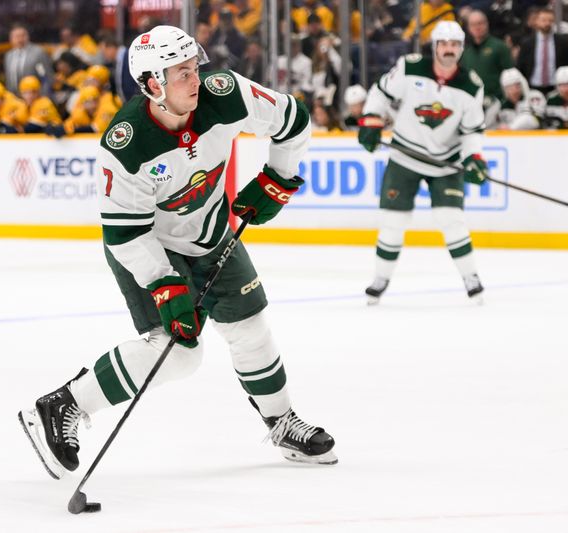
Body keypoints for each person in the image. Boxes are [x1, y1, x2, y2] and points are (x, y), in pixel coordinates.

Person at [18, 25, 337, 479]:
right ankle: (64, 404)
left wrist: (278, 177)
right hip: (150, 247)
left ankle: (282, 423)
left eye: (194, 67)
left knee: (250, 327)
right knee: (180, 353)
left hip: (210, 233)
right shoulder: (126, 144)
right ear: (153, 85)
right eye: (182, 73)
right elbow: (125, 233)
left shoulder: (225, 94)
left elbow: (294, 119)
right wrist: (164, 283)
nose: (196, 79)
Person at [357, 21, 489, 303]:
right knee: (393, 221)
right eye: (444, 44)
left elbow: (472, 132)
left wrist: (474, 157)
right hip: (405, 156)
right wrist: (371, 119)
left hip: (445, 163)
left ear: (461, 48)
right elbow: (380, 93)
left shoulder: (471, 86)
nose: (449, 49)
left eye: (455, 45)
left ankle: (471, 277)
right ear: (435, 46)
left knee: (451, 220)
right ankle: (381, 278)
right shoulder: (410, 67)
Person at [460, 10, 514, 103]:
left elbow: (511, 74)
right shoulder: (465, 50)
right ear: (468, 28)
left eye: (480, 23)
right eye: (473, 24)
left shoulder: (499, 46)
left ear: (487, 24)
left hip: (496, 100)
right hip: (472, 100)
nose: (477, 27)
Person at [517, 7, 568, 94]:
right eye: (543, 20)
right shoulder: (527, 43)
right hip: (533, 86)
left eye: (550, 20)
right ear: (536, 21)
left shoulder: (562, 42)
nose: (547, 23)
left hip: (556, 87)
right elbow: (521, 66)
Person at [4, 24, 53, 95]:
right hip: (14, 97)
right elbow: (8, 80)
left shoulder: (38, 53)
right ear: (11, 39)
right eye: (16, 36)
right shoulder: (9, 56)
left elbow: (45, 76)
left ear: (28, 36)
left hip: (34, 96)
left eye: (22, 35)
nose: (20, 39)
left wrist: (44, 95)